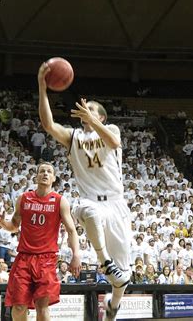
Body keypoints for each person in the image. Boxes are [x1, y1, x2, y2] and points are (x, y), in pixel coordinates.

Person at [38, 63, 131, 321]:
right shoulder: (73, 136)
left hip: (116, 205)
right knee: (89, 211)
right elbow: (48, 125)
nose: (85, 109)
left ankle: (113, 307)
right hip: (90, 202)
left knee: (124, 279)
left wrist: (92, 121)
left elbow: (114, 143)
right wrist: (42, 87)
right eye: (85, 108)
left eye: (91, 109)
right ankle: (104, 261)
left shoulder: (111, 130)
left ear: (101, 117)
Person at [0, 162, 81, 321]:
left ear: (54, 178)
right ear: (36, 176)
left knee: (42, 306)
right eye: (42, 171)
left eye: (49, 172)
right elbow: (14, 226)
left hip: (46, 259)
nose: (45, 174)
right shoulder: (24, 198)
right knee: (19, 305)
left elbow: (71, 230)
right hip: (24, 258)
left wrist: (76, 255)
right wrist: (1, 222)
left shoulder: (60, 201)